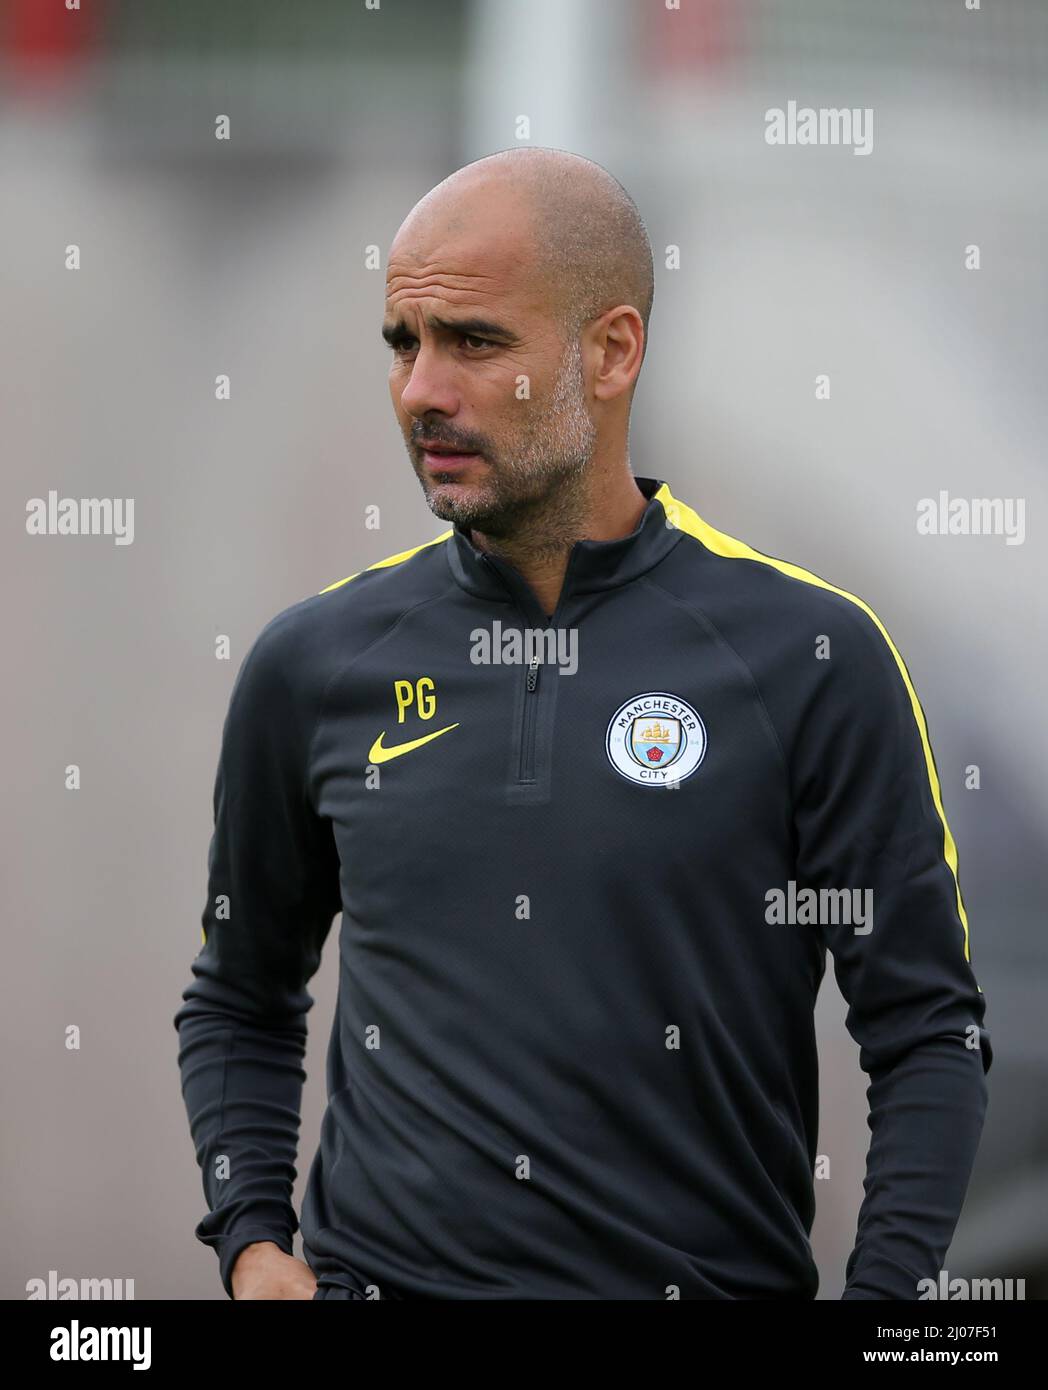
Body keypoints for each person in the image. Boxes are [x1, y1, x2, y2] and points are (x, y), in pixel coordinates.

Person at [174, 147, 991, 1300]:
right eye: (403, 343)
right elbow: (240, 993)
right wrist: (256, 1248)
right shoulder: (314, 662)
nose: (420, 390)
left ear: (611, 352)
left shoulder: (810, 656)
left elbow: (926, 1033)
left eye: (474, 341)